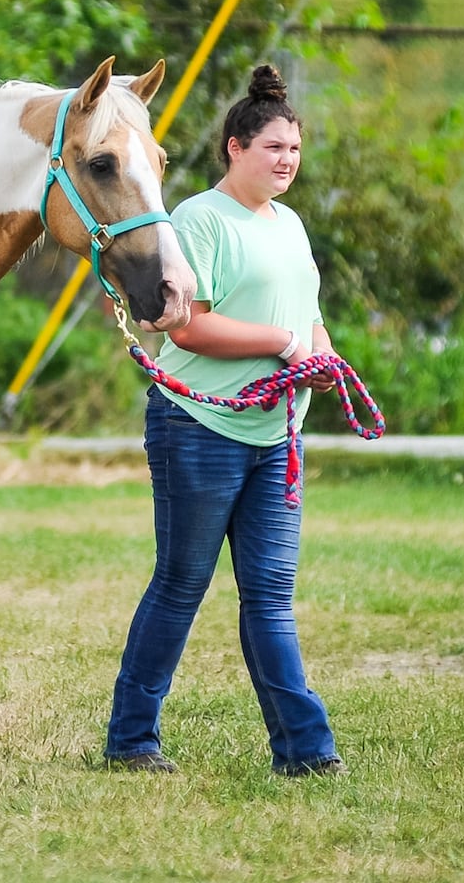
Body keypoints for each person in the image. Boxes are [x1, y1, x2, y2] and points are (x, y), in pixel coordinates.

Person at [103, 63, 346, 777]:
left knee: (270, 597)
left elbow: (309, 316)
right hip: (196, 431)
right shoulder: (199, 220)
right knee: (180, 585)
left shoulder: (291, 223)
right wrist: (279, 344)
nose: (287, 162)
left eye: (295, 151)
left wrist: (321, 355)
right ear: (235, 148)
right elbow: (187, 329)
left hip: (276, 436)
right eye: (274, 148)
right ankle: (131, 739)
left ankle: (305, 751)